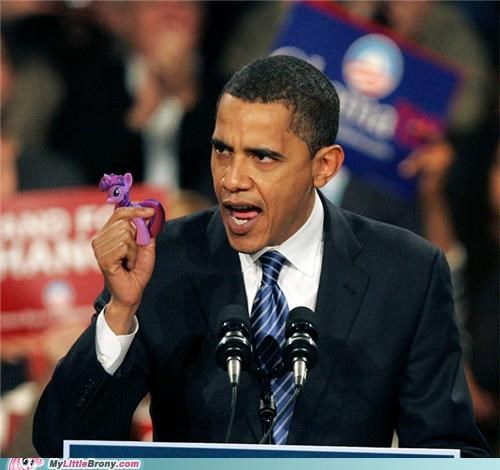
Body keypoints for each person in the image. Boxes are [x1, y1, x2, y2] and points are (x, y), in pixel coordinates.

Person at [32, 55, 489, 457]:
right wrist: (119, 312)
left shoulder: (407, 272)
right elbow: (62, 443)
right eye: (222, 150)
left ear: (324, 166)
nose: (232, 179)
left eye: (262, 157)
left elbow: (449, 450)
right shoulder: (162, 261)